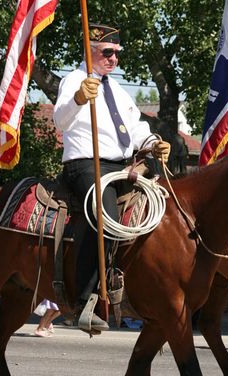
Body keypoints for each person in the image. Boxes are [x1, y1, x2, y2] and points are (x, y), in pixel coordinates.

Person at [53, 23, 170, 331]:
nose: (114, 60)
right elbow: (60, 120)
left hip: (119, 166)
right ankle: (85, 299)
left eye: (117, 54)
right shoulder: (74, 80)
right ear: (89, 52)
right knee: (108, 218)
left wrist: (153, 144)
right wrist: (79, 98)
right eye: (107, 53)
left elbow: (135, 129)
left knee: (162, 205)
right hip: (85, 166)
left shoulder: (116, 90)